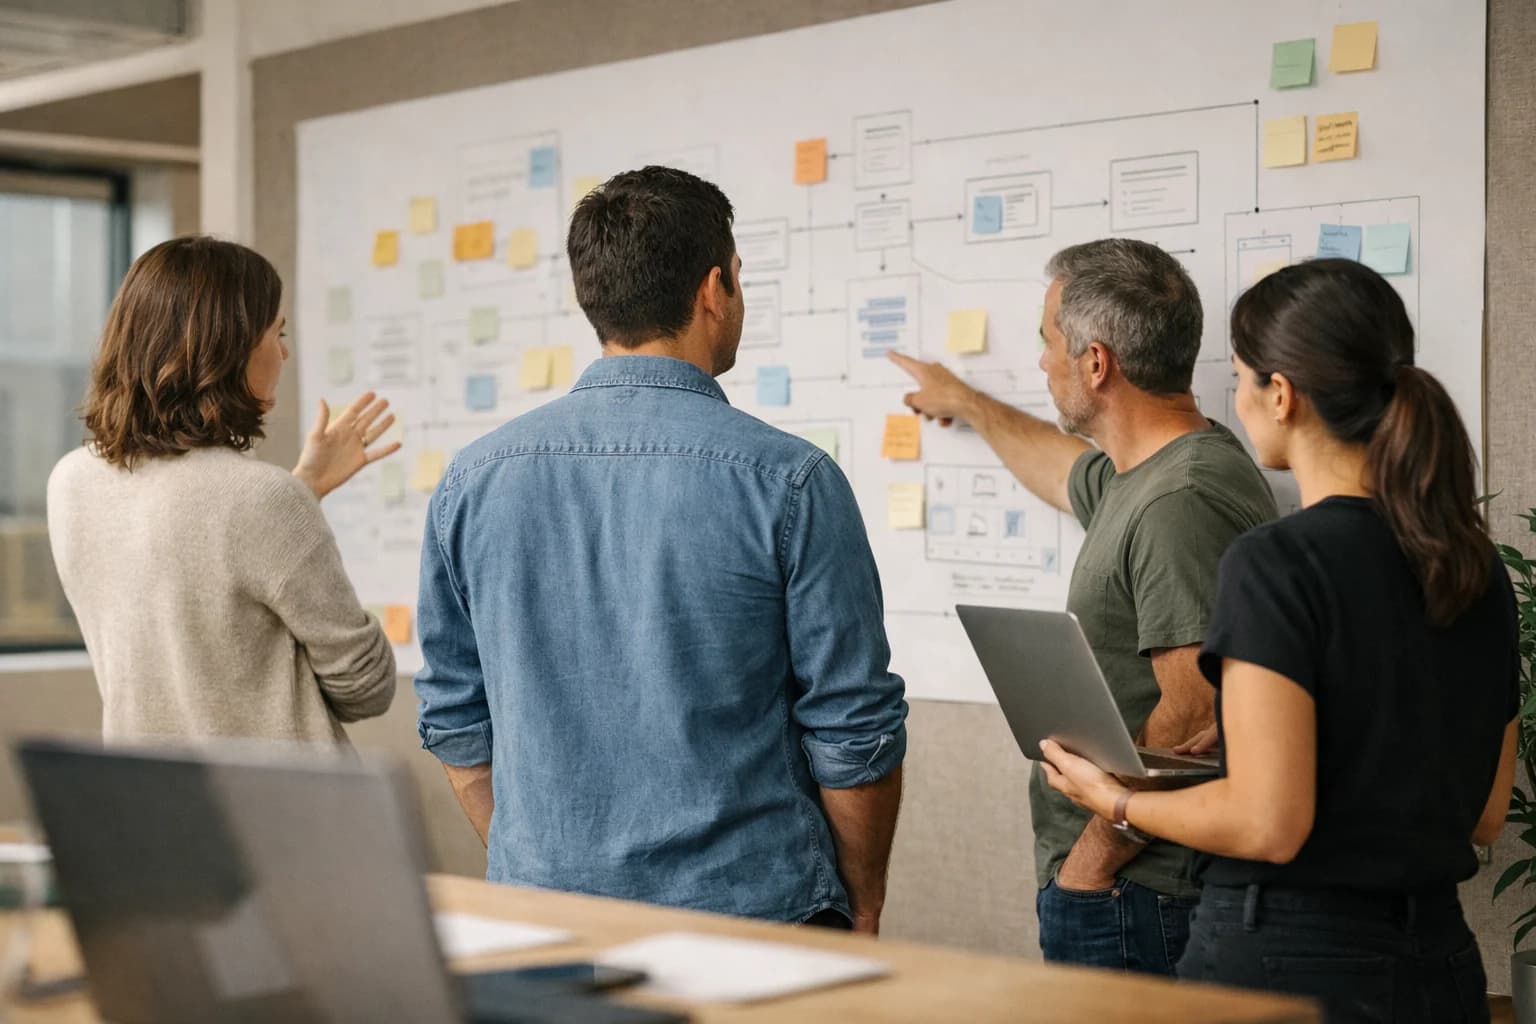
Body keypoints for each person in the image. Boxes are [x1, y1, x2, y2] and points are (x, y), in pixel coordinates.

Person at [414, 166, 908, 931]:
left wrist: (535, 859)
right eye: (739, 278)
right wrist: (864, 901)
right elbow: (854, 732)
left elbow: (453, 716)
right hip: (756, 918)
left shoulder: (472, 481)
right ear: (715, 288)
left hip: (545, 922)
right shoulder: (792, 482)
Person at [1040, 258, 1517, 1022]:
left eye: (1238, 376)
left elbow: (1266, 823)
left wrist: (1118, 799)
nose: (1235, 398)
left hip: (1287, 963)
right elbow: (1484, 813)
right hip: (1437, 961)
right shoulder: (1473, 565)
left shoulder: (1277, 561)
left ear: (1282, 395)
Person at [891, 238, 1277, 973]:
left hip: (1138, 889)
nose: (1040, 361)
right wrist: (967, 402)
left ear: (1096, 363)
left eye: (1047, 343)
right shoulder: (1151, 472)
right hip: (1125, 884)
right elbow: (1061, 468)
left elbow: (1196, 713)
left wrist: (1094, 855)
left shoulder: (1179, 500)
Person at [49, 235, 401, 744]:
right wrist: (295, 501)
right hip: (279, 813)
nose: (283, 353)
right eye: (276, 334)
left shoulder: (69, 482)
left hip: (152, 806)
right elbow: (367, 688)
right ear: (230, 349)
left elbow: (199, 592)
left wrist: (305, 487)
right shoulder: (262, 499)